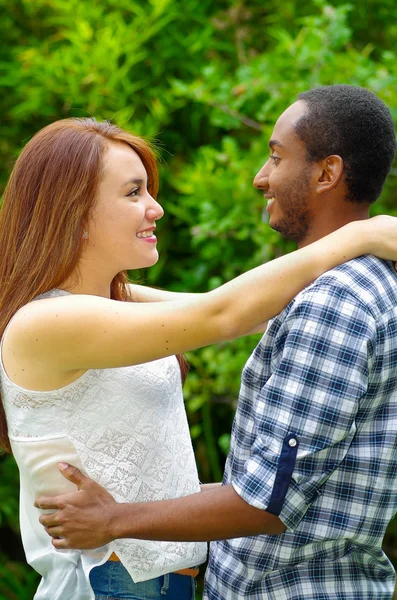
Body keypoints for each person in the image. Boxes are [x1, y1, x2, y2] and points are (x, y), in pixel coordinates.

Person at [36, 85, 397, 600]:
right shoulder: (349, 288)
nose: (261, 177)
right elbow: (215, 308)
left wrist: (114, 519)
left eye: (275, 157)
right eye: (132, 193)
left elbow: (265, 502)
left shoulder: (334, 302)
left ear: (326, 173)